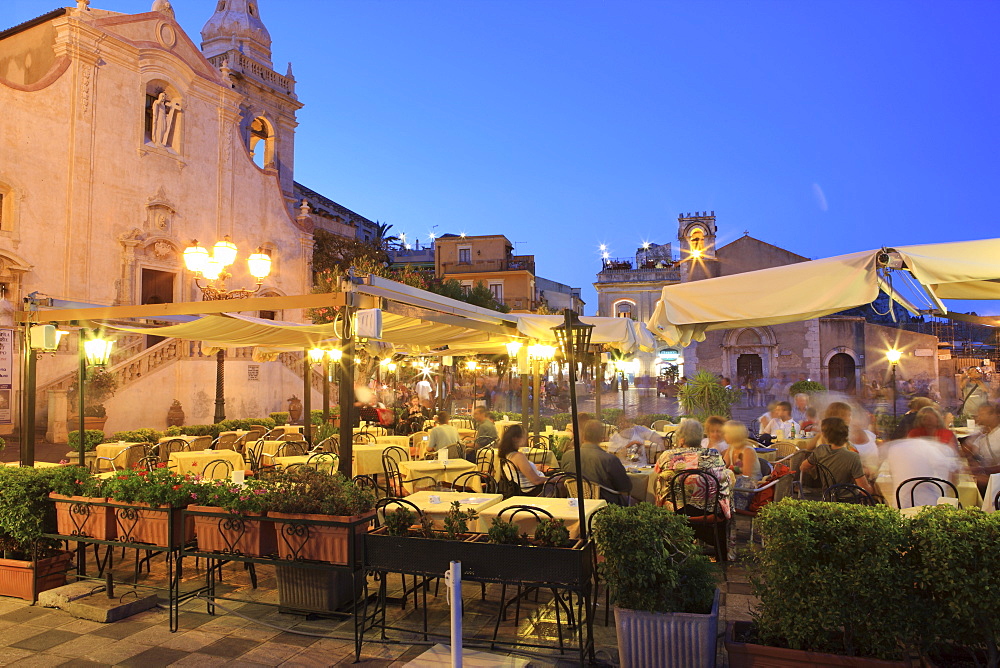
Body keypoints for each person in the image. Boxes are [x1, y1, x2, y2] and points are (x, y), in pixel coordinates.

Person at [654, 419, 733, 518]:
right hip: (709, 511)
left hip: (674, 510)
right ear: (700, 437)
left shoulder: (667, 455)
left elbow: (656, 472)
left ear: (681, 438)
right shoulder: (714, 454)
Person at [560, 420, 631, 505]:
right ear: (601, 437)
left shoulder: (567, 456)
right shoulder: (609, 459)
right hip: (607, 507)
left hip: (576, 505)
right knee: (636, 501)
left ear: (583, 437)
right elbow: (626, 487)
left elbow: (565, 479)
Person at [800, 418, 874, 497]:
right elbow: (865, 491)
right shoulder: (853, 456)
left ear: (825, 436)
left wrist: (818, 469)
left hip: (827, 497)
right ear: (846, 434)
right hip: (849, 501)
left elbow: (803, 467)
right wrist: (873, 486)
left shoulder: (820, 451)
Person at [883, 437, 961, 507]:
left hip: (901, 509)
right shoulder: (938, 449)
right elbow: (953, 481)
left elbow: (891, 477)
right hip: (933, 511)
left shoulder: (894, 448)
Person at [498, 424, 549, 494]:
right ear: (515, 438)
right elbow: (536, 480)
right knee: (562, 482)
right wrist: (553, 479)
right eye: (524, 436)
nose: (526, 438)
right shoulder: (518, 457)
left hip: (521, 489)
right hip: (532, 490)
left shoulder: (506, 455)